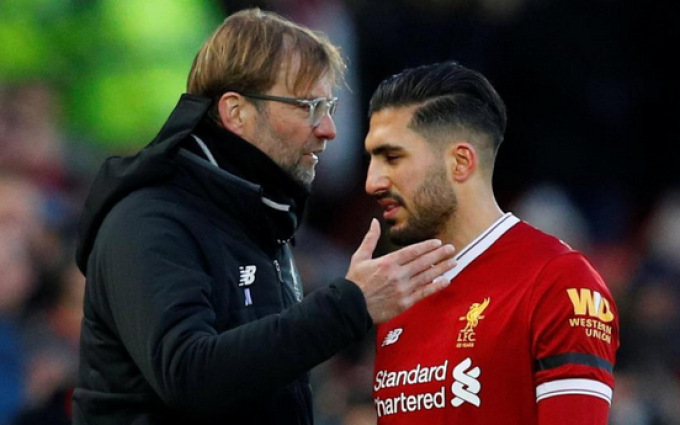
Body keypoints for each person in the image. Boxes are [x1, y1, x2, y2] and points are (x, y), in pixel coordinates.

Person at [72, 9, 456, 425]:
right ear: (236, 112)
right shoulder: (148, 219)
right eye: (309, 106)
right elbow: (189, 375)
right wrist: (350, 305)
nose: (329, 128)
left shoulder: (257, 217)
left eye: (328, 106)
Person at [365, 62, 619, 424]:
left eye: (392, 157)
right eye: (371, 159)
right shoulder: (398, 297)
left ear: (460, 162)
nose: (372, 182)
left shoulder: (558, 280)